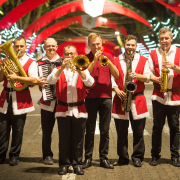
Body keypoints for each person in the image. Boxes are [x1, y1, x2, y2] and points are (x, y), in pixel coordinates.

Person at [47, 45, 94, 175]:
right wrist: (61, 68)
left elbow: (90, 82)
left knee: (78, 139)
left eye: (72, 54)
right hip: (63, 108)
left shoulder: (83, 68)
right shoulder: (57, 69)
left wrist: (80, 70)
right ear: (63, 55)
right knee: (64, 139)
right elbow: (50, 80)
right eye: (67, 54)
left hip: (79, 109)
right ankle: (64, 164)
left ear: (76, 54)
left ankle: (77, 164)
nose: (69, 56)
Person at [0, 37, 45, 166]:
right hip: (5, 98)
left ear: (25, 47)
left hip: (21, 98)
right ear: (13, 47)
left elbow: (34, 80)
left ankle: (14, 155)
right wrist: (2, 67)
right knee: (2, 129)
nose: (19, 48)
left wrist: (16, 77)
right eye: (16, 46)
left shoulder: (31, 62)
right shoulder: (6, 60)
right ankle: (1, 155)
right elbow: (1, 79)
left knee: (17, 129)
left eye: (21, 46)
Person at [112, 35, 150, 167]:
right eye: (128, 45)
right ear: (124, 45)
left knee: (138, 132)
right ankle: (123, 157)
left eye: (133, 45)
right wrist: (116, 89)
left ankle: (137, 157)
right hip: (121, 98)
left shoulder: (144, 60)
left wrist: (137, 76)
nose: (130, 47)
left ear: (136, 46)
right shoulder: (116, 60)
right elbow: (111, 78)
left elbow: (148, 77)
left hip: (137, 99)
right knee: (121, 132)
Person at [83, 33, 119, 169]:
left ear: (101, 43)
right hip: (90, 98)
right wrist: (94, 61)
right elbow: (85, 75)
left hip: (106, 98)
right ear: (89, 45)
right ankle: (88, 158)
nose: (96, 46)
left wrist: (108, 62)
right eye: (93, 44)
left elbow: (116, 75)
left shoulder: (109, 56)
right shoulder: (85, 58)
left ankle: (103, 158)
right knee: (89, 130)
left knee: (105, 131)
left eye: (98, 44)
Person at [148, 27, 180, 167]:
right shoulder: (153, 53)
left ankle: (175, 156)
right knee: (157, 127)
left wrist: (174, 67)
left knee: (175, 128)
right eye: (162, 39)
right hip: (158, 96)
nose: (164, 41)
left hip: (175, 97)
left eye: (166, 38)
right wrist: (156, 79)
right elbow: (148, 73)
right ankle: (155, 156)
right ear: (159, 39)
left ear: (171, 38)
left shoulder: (179, 52)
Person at [37, 38, 62, 165]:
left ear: (57, 47)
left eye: (53, 46)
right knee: (47, 131)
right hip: (47, 102)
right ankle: (47, 155)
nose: (51, 48)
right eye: (48, 46)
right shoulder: (38, 63)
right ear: (44, 47)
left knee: (64, 132)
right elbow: (35, 79)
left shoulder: (63, 61)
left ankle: (64, 155)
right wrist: (37, 81)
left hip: (62, 102)